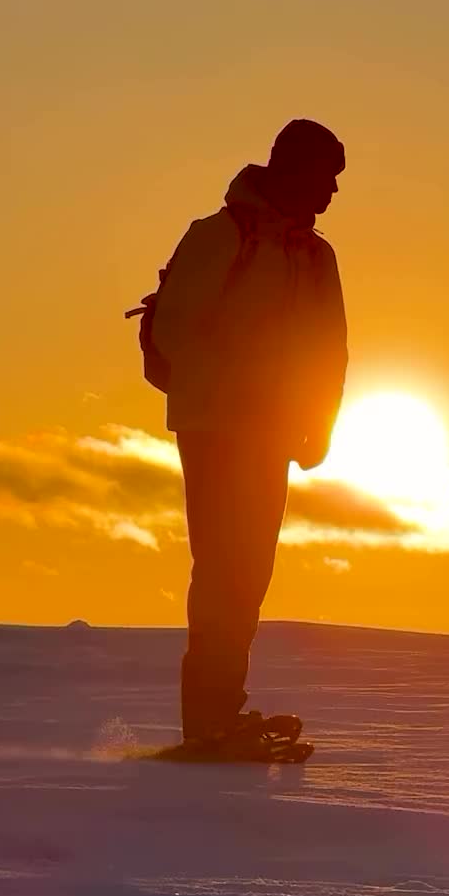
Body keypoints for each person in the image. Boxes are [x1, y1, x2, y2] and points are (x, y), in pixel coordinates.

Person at [151, 120, 348, 754]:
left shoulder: (316, 257)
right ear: (291, 169)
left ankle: (221, 710)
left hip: (269, 435)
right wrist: (234, 387)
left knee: (248, 574)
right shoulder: (221, 236)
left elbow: (329, 352)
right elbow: (176, 330)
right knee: (222, 570)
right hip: (215, 427)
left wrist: (317, 424)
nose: (333, 193)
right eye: (326, 177)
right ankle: (207, 717)